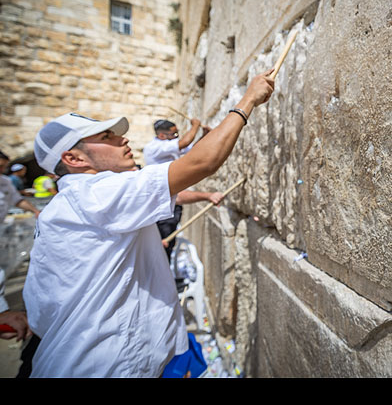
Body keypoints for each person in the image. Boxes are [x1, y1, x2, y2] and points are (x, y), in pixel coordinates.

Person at [22, 70, 274, 377]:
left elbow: (40, 314)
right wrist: (248, 99)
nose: (122, 138)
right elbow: (201, 163)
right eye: (106, 137)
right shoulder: (96, 193)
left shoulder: (67, 206)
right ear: (74, 159)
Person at [144, 117, 221, 260]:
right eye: (173, 134)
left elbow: (192, 151)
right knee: (162, 250)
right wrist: (195, 126)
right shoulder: (154, 148)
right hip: (164, 208)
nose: (176, 137)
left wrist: (204, 135)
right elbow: (184, 142)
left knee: (168, 245)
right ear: (161, 135)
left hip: (172, 207)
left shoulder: (168, 147)